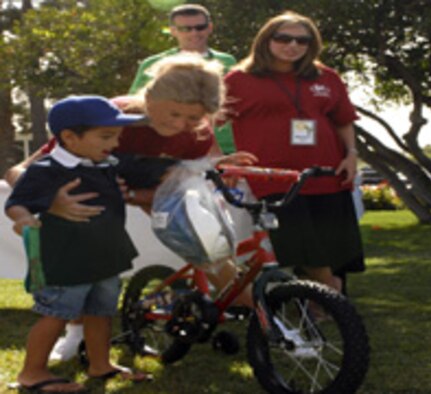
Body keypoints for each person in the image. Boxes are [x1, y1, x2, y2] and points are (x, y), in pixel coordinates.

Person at [5, 54, 256, 362]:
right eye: (173, 113)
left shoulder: (196, 133)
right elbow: (19, 172)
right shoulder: (110, 116)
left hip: (146, 189)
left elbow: (188, 173)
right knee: (82, 260)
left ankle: (266, 318)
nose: (181, 125)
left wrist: (216, 167)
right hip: (92, 196)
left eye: (193, 119)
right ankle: (76, 330)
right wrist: (52, 199)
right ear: (148, 97)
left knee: (207, 243)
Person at [6, 96, 164, 393]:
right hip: (67, 259)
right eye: (106, 136)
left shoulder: (106, 163)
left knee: (100, 312)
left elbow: (151, 169)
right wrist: (25, 218)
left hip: (105, 255)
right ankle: (32, 373)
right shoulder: (47, 169)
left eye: (117, 135)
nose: (115, 143)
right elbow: (16, 203)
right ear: (69, 137)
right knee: (56, 315)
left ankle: (100, 364)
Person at [223, 11, 364, 292]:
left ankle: (321, 300)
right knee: (298, 243)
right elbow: (207, 120)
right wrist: (220, 159)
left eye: (302, 40)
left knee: (332, 245)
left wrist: (351, 155)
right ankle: (329, 293)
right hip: (273, 178)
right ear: (266, 40)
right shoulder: (239, 79)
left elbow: (343, 120)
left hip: (327, 172)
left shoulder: (327, 77)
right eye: (284, 38)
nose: (293, 45)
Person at [129, 3, 237, 154]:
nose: (193, 33)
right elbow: (136, 104)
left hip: (224, 145)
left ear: (210, 27)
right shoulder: (153, 64)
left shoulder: (228, 62)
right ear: (173, 31)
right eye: (185, 29)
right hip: (171, 146)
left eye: (199, 27)